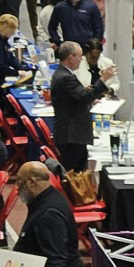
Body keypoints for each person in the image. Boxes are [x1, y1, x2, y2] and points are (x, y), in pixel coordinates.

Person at [47, 40, 101, 173]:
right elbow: (84, 97)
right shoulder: (65, 77)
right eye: (79, 56)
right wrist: (103, 81)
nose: (81, 59)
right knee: (73, 176)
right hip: (72, 135)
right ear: (70, 58)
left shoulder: (63, 73)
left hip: (72, 133)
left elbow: (78, 96)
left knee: (76, 173)